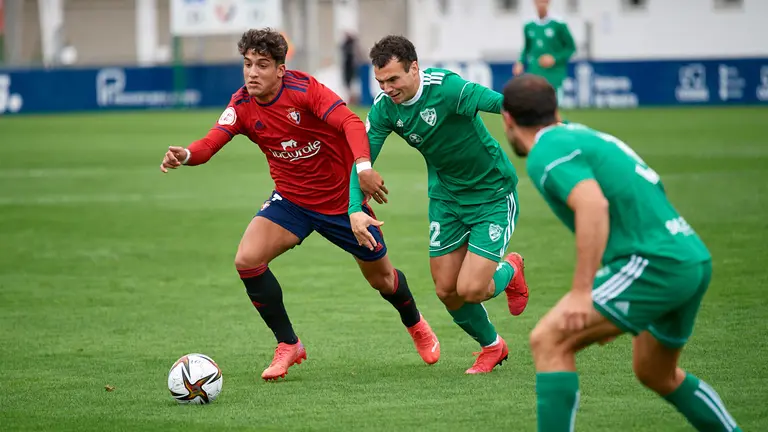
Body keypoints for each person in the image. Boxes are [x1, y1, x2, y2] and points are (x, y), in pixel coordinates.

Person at [159, 28, 440, 381]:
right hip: (291, 201)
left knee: (383, 280)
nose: (252, 73)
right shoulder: (242, 105)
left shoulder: (305, 90)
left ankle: (415, 324)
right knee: (247, 259)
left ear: (280, 69)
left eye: (262, 65)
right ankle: (288, 344)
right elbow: (210, 143)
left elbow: (351, 123)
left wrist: (363, 169)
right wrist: (184, 155)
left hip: (341, 203)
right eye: (247, 64)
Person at [501, 74, 741, 432]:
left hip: (654, 264)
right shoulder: (582, 136)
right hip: (689, 256)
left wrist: (584, 293)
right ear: (556, 110)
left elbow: (593, 206)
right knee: (656, 372)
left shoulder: (544, 151)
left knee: (549, 339)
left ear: (507, 119)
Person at [348, 35, 530, 375]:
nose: (387, 88)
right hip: (446, 199)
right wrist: (355, 208)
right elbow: (362, 158)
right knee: (447, 289)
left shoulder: (447, 89)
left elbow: (500, 103)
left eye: (393, 79)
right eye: (380, 81)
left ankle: (511, 269)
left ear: (414, 68)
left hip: (491, 193)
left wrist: (543, 123)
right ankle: (493, 346)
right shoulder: (386, 107)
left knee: (472, 289)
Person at [513, 0, 575, 103]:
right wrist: (520, 61)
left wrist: (554, 59)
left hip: (554, 74)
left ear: (548, 2)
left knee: (553, 106)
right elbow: (527, 47)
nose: (541, 4)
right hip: (535, 71)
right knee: (534, 105)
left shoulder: (559, 24)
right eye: (538, 1)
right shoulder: (529, 25)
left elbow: (571, 48)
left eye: (544, 1)